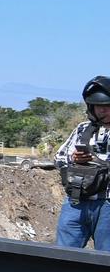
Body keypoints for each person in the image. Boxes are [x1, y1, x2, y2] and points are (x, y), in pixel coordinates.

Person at [55, 76, 110, 250]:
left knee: (106, 258)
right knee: (63, 256)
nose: (103, 110)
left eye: (108, 106)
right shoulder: (83, 129)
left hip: (107, 204)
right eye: (99, 106)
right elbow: (59, 158)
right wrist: (74, 159)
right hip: (77, 201)